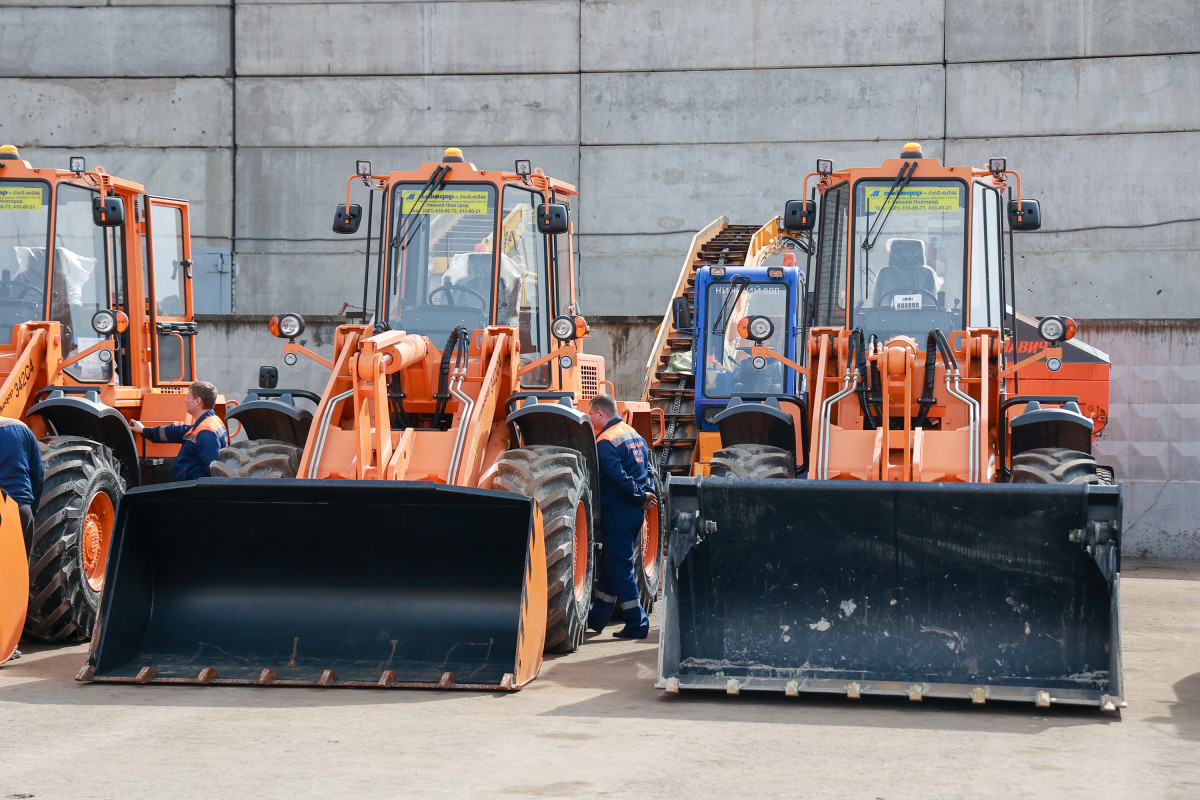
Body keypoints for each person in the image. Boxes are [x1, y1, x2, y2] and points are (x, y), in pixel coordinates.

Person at [586, 394, 655, 639]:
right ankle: (597, 618)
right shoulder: (633, 434)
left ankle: (637, 624)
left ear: (600, 414)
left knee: (621, 567)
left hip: (619, 511)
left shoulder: (605, 441)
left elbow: (618, 477)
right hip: (633, 512)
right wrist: (648, 493)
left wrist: (639, 496)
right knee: (610, 564)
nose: (590, 418)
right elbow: (648, 469)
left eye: (591, 413)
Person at [130, 381, 228, 480]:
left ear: (198, 401)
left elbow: (212, 471)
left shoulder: (206, 432)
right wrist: (144, 430)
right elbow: (176, 432)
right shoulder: (210, 422)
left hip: (192, 489)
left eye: (188, 397)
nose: (185, 400)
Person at [0, 417, 44, 556]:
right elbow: (38, 475)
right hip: (20, 508)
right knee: (19, 571)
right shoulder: (23, 429)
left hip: (4, 506)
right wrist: (30, 510)